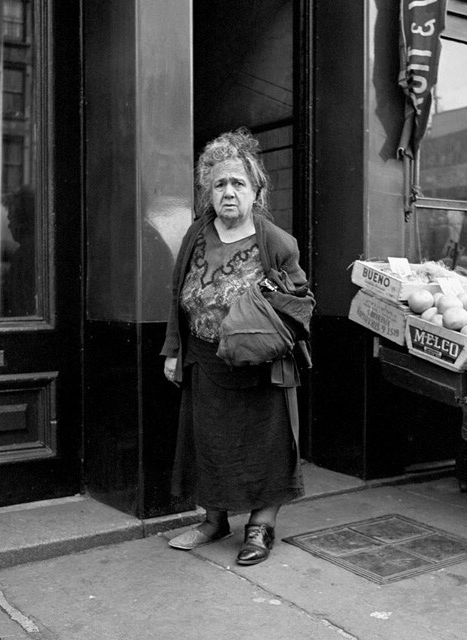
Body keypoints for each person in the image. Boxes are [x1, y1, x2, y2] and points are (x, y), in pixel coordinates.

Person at [161, 128, 314, 566]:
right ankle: (213, 521)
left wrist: (261, 315)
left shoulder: (277, 242)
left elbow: (300, 304)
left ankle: (260, 528)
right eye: (219, 184)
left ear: (256, 190)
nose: (228, 192)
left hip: (261, 366)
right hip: (206, 360)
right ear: (209, 192)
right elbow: (177, 294)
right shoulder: (196, 235)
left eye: (238, 183)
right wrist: (173, 350)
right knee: (210, 442)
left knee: (267, 446)